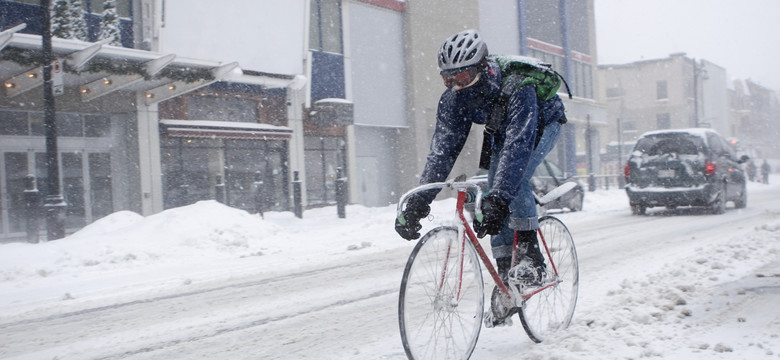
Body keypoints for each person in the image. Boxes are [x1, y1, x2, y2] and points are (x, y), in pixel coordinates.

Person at [394, 30, 567, 318]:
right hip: (503, 126)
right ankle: (506, 283)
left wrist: (500, 199)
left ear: (482, 68)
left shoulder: (517, 87)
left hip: (542, 121)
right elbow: (442, 153)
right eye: (448, 79)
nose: (456, 86)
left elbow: (518, 148)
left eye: (461, 78)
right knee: (491, 191)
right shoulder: (452, 101)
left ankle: (531, 257)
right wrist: (418, 203)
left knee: (514, 178)